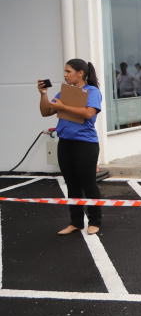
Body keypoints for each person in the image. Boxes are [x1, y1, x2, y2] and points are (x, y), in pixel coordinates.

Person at [37, 59, 104, 236]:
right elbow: (46, 112)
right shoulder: (64, 92)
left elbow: (89, 113)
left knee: (88, 184)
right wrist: (44, 94)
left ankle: (95, 221)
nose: (65, 75)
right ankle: (76, 222)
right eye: (65, 72)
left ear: (80, 73)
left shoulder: (92, 91)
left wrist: (63, 106)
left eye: (68, 71)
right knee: (72, 184)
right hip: (65, 143)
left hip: (85, 144)